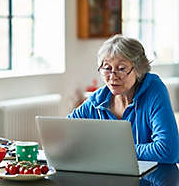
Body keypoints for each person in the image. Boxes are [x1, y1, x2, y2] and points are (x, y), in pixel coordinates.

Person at [68, 34, 179, 163]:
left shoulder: (154, 90)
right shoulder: (98, 100)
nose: (113, 76)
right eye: (107, 68)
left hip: (152, 179)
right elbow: (65, 133)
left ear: (138, 69)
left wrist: (112, 151)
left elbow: (169, 150)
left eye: (121, 69)